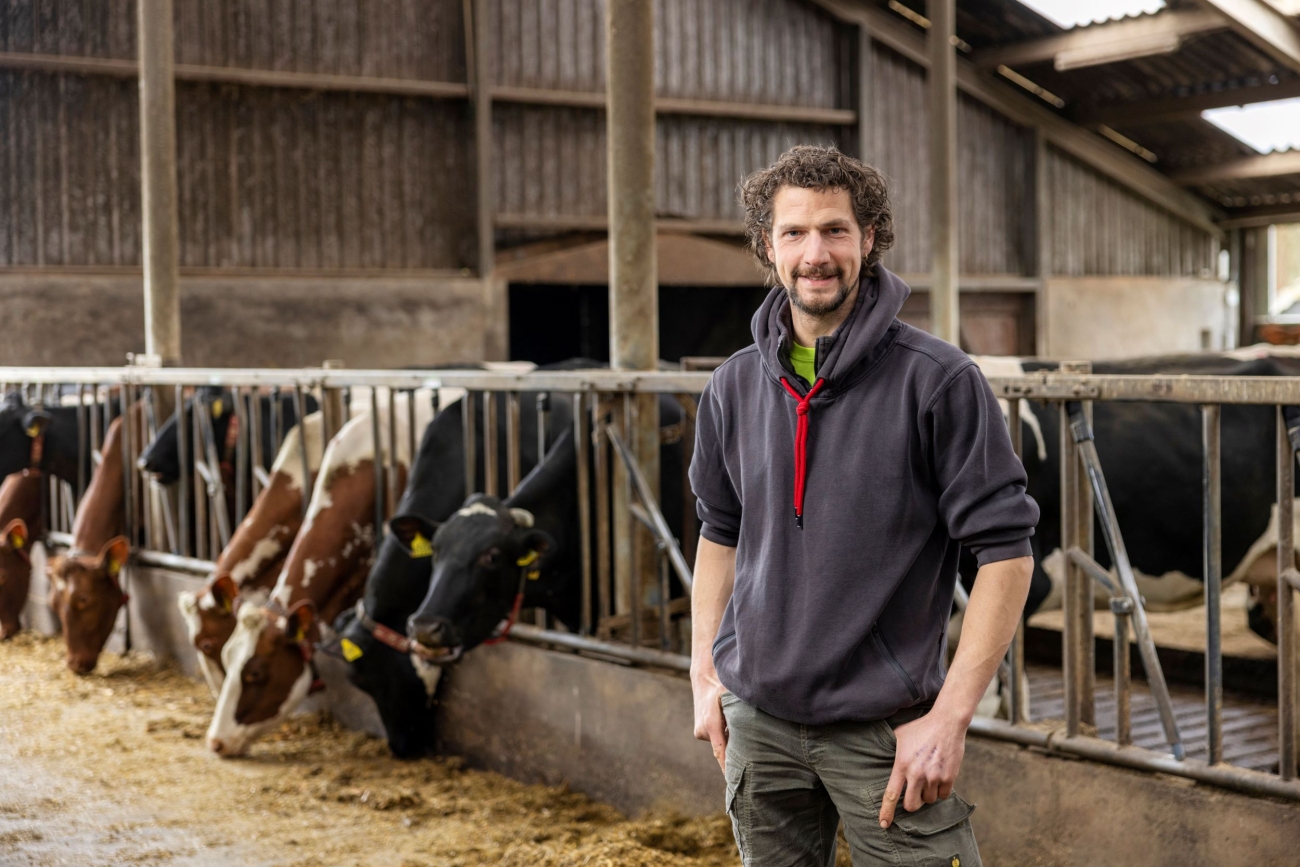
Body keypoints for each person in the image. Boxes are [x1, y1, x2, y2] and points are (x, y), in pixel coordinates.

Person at [688, 145, 1038, 866]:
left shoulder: (939, 381)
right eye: (794, 233)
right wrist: (703, 673)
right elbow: (719, 532)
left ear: (869, 237)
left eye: (835, 230)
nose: (816, 253)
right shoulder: (731, 387)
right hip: (758, 724)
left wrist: (950, 717)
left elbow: (1006, 553)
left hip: (887, 731)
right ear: (767, 245)